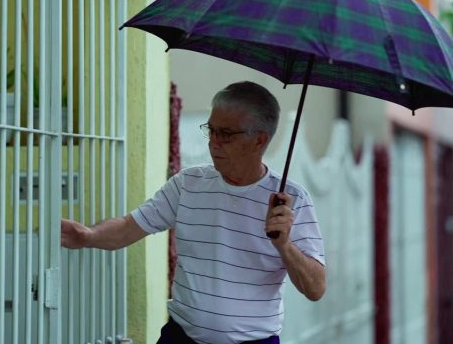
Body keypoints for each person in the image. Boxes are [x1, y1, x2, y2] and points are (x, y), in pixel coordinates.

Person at [61, 81, 326, 344]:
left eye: (225, 134)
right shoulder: (189, 183)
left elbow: (315, 289)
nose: (214, 142)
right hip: (181, 337)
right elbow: (129, 227)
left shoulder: (291, 200)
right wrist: (87, 235)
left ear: (259, 140)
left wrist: (284, 245)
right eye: (210, 130)